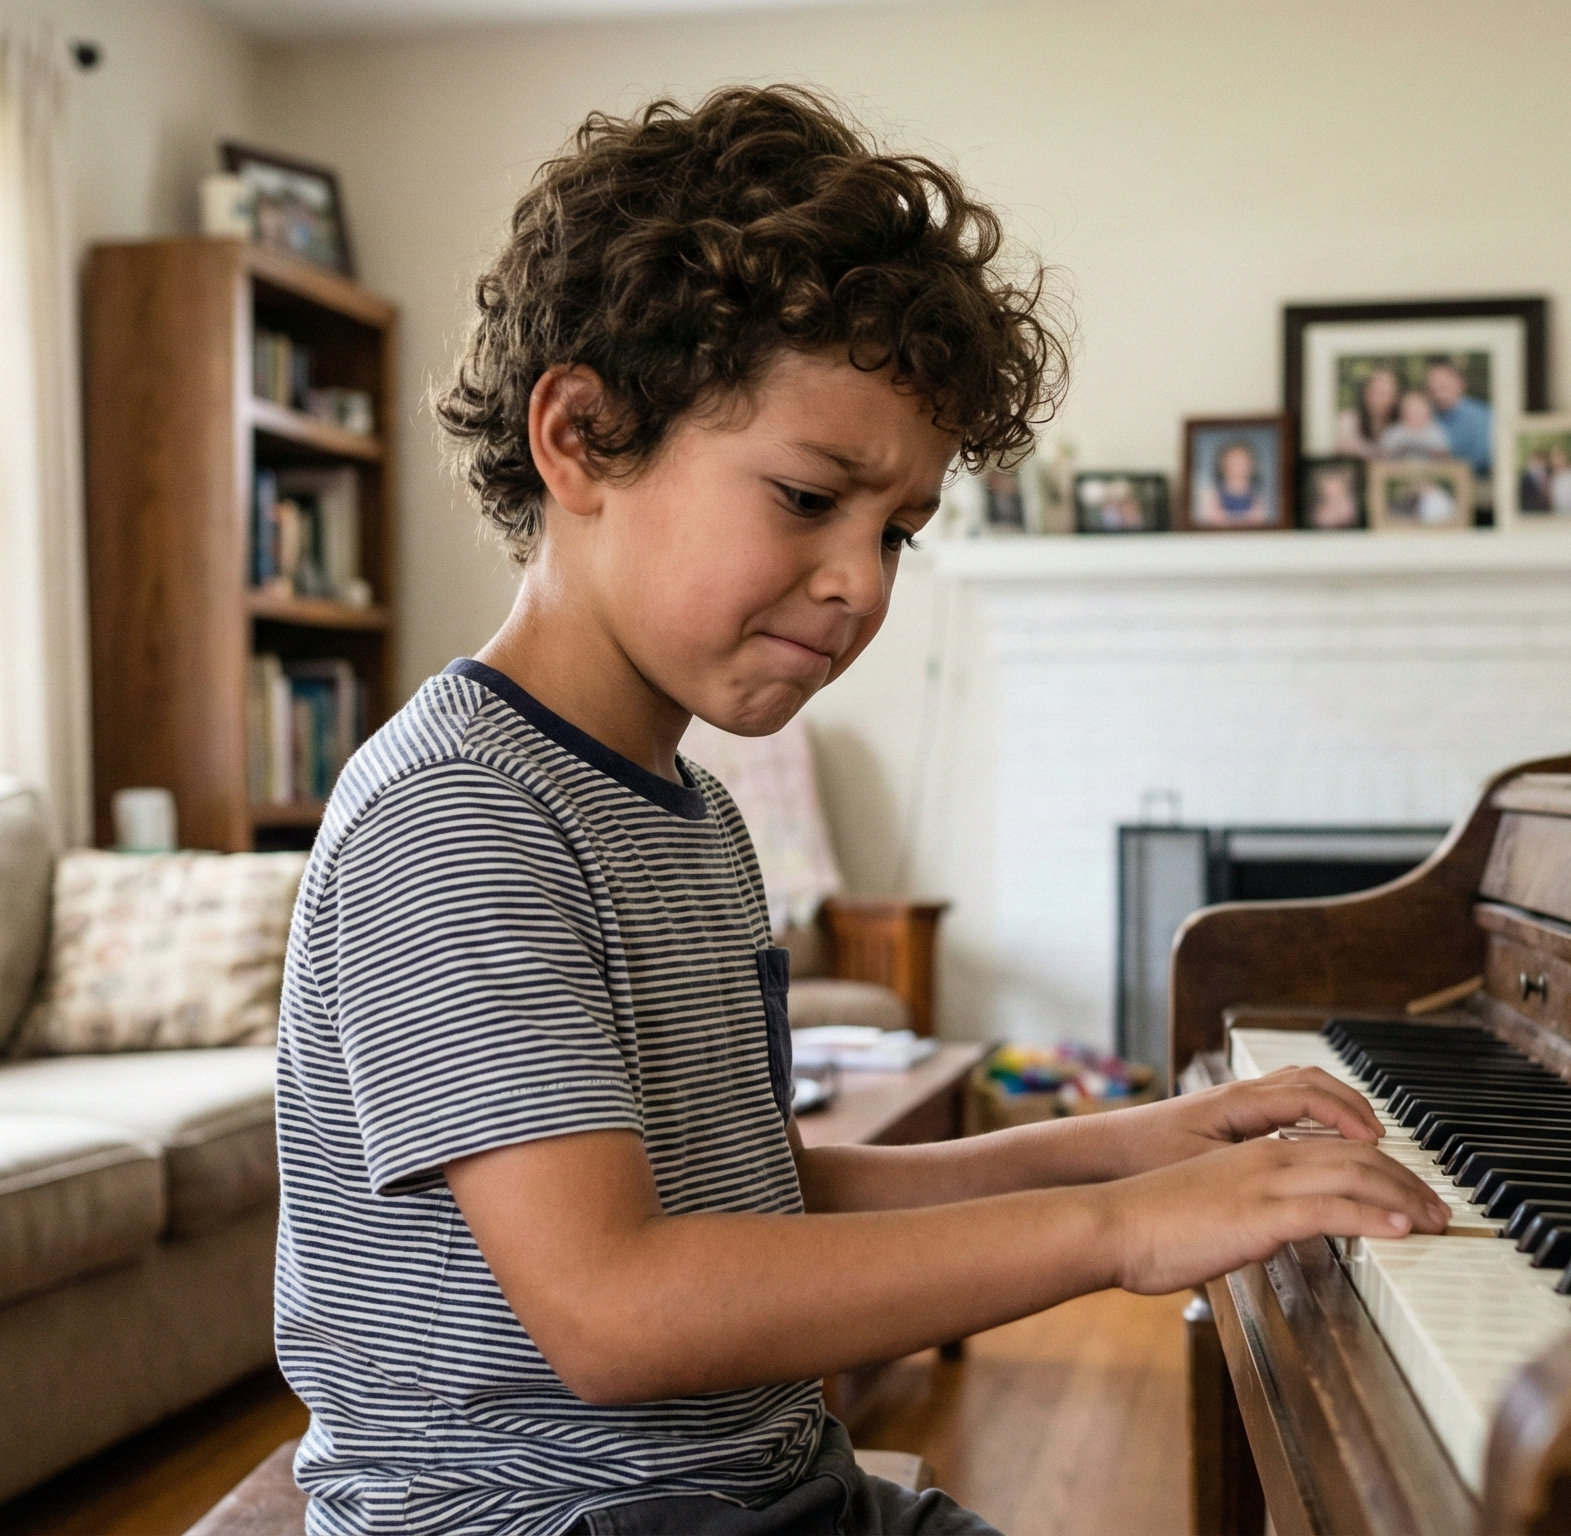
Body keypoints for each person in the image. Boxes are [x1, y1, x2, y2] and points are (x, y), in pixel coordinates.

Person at [272, 86, 1446, 1536]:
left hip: (754, 1498)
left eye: (894, 531)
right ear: (579, 437)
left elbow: (761, 1195)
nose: (863, 584)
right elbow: (618, 1307)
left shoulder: (679, 807)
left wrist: (1135, 1142)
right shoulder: (462, 815)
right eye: (809, 497)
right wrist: (1121, 1235)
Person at [1423, 356, 1492, 478]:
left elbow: (1483, 459)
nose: (1438, 391)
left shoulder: (1483, 416)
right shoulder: (1426, 417)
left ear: (1460, 383)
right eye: (1433, 386)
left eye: (1443, 384)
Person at [1195, 437, 1274, 527]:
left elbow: (1259, 523)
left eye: (1243, 462)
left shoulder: (1258, 497)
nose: (1238, 467)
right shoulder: (1213, 496)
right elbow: (1212, 521)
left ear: (1252, 466)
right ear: (1222, 465)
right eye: (1234, 462)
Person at [1336, 365, 1400, 456]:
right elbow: (1346, 452)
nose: (1383, 399)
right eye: (1378, 392)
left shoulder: (1402, 424)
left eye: (1388, 393)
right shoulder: (1348, 420)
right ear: (1366, 393)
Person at [1373, 387, 1452, 459]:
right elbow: (1383, 454)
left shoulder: (1436, 432)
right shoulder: (1394, 432)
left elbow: (1443, 455)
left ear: (1429, 414)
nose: (1415, 416)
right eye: (1411, 412)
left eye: (1420, 412)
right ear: (1403, 414)